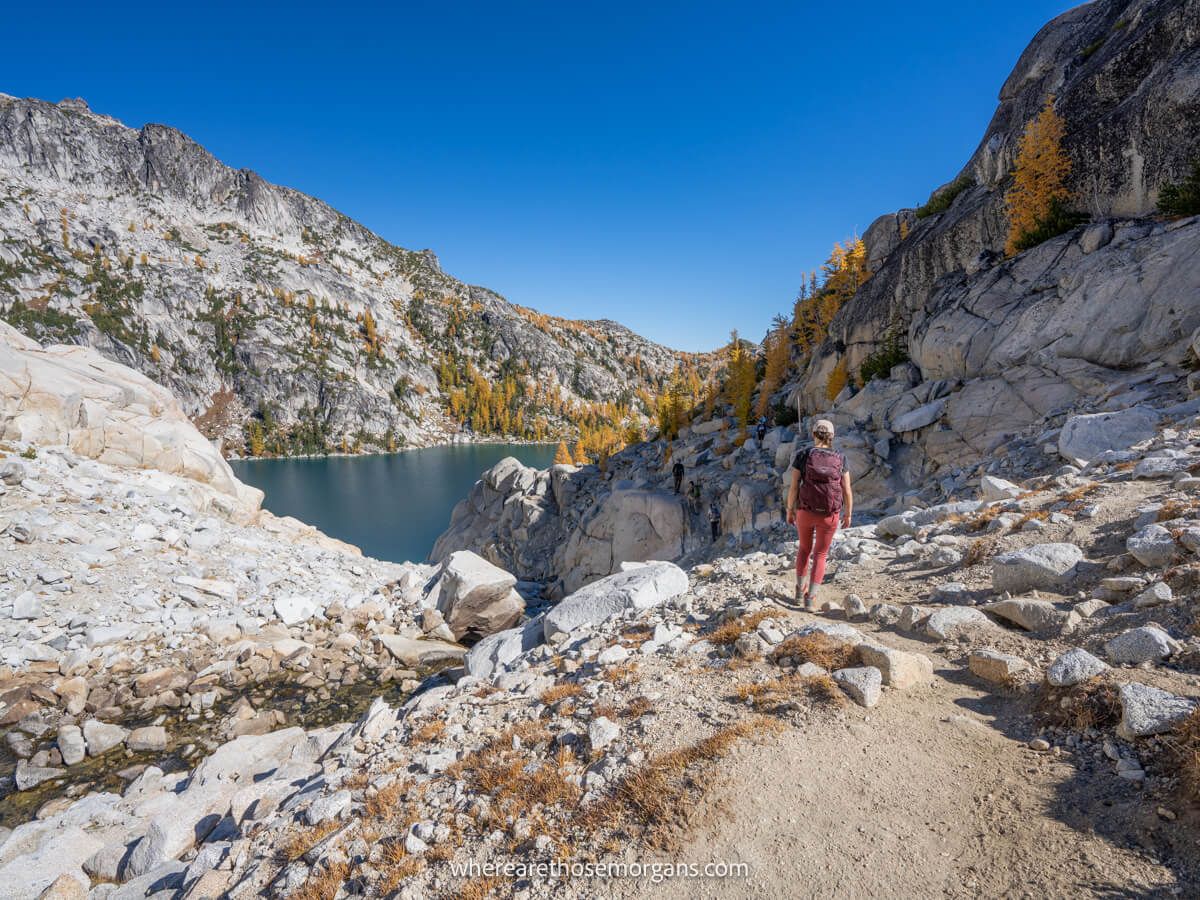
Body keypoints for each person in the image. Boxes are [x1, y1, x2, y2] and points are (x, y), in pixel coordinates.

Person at [786, 418, 853, 611]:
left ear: (814, 434)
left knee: (804, 549)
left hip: (805, 512)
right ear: (832, 436)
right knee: (821, 554)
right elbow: (847, 489)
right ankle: (810, 598)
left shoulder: (804, 455)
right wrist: (848, 514)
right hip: (829, 514)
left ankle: (799, 591)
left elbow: (793, 487)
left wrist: (790, 510)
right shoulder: (841, 457)